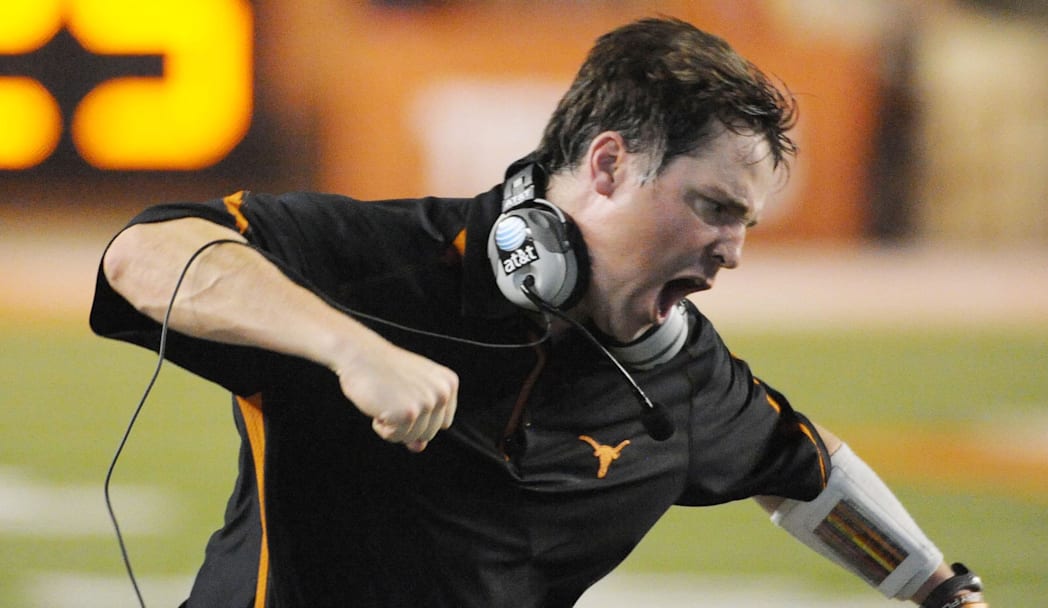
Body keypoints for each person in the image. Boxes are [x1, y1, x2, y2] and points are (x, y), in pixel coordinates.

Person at [91, 16, 988, 608]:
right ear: (609, 166)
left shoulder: (682, 375)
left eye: (744, 222)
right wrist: (348, 348)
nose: (732, 251)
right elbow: (145, 255)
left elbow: (805, 475)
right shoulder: (388, 265)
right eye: (713, 207)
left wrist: (942, 592)